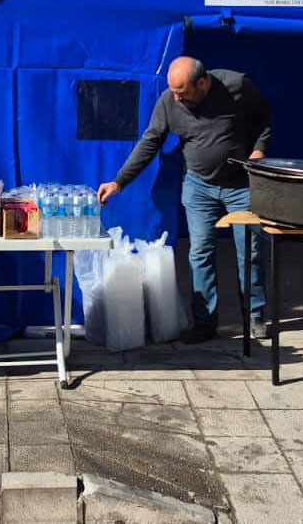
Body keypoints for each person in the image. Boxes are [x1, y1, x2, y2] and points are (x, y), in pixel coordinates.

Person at [97, 56, 271, 344]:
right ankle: (204, 323)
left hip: (241, 184)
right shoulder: (169, 102)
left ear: (203, 83)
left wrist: (260, 148)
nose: (177, 98)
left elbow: (264, 116)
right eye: (173, 91)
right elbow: (150, 141)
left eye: (183, 92)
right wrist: (119, 181)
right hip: (199, 186)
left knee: (250, 250)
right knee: (200, 252)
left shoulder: (236, 85)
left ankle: (254, 314)